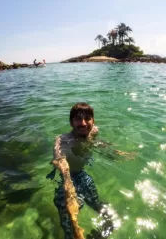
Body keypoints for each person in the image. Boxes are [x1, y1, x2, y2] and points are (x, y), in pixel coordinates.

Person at [49, 102, 119, 239]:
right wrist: (69, 188)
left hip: (82, 175)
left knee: (102, 210)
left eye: (87, 118)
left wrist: (117, 153)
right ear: (71, 122)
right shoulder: (62, 140)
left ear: (93, 121)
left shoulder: (93, 132)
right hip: (65, 179)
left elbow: (98, 144)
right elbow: (59, 160)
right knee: (68, 217)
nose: (83, 123)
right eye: (77, 119)